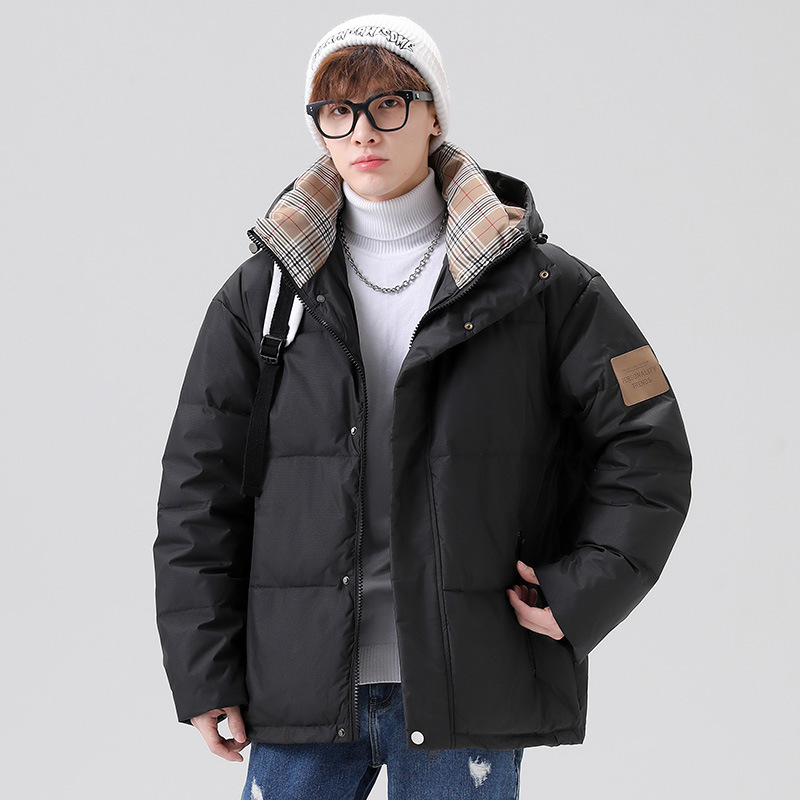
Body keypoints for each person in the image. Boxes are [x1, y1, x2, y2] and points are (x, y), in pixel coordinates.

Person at [153, 13, 692, 800]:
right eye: (337, 111)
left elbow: (648, 441)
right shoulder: (263, 295)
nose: (363, 131)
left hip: (465, 681)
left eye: (388, 103)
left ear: (434, 114)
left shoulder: (544, 288)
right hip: (299, 684)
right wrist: (205, 670)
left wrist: (583, 590)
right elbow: (197, 490)